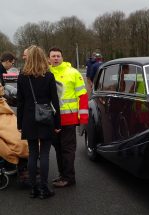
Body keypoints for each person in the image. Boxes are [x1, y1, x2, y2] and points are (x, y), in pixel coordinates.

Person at [17, 45, 61, 199]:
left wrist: (19, 124)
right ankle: (44, 188)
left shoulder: (22, 76)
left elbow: (20, 103)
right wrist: (57, 124)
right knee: (45, 154)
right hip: (45, 118)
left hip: (28, 120)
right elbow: (55, 102)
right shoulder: (48, 76)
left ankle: (34, 189)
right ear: (43, 57)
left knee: (32, 153)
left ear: (28, 58)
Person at [48, 47, 89, 188]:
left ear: (62, 57)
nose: (56, 58)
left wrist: (83, 118)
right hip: (52, 119)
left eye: (58, 55)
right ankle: (62, 175)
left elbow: (83, 96)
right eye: (53, 56)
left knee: (68, 149)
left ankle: (69, 178)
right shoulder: (46, 73)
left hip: (69, 119)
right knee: (58, 149)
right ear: (49, 58)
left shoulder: (73, 73)